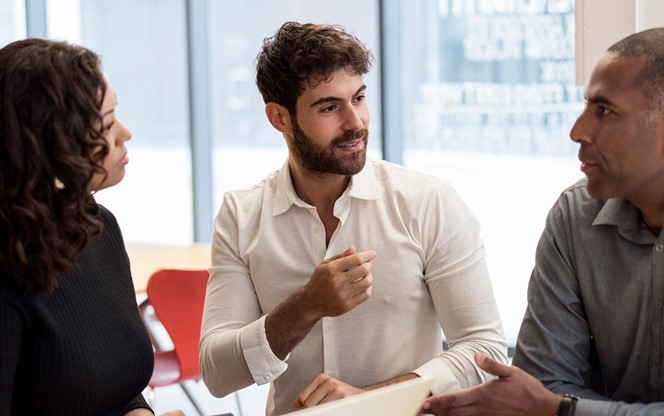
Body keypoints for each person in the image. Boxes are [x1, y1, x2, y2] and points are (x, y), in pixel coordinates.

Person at [199, 21, 508, 416]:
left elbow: (484, 351)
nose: (356, 122)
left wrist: (369, 401)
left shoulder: (427, 201)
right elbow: (217, 374)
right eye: (330, 107)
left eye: (359, 98)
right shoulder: (241, 216)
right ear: (280, 118)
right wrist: (306, 306)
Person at [421, 27, 664, 416]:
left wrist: (565, 410)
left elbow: (546, 404)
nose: (577, 131)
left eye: (604, 110)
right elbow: (542, 385)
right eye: (586, 106)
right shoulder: (575, 216)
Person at [0, 38, 182, 416]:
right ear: (51, 142)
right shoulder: (7, 269)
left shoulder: (99, 227)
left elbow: (117, 387)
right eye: (106, 123)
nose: (125, 133)